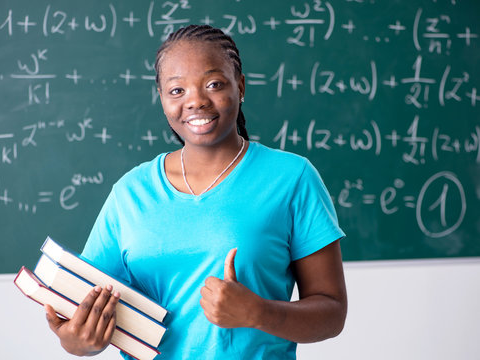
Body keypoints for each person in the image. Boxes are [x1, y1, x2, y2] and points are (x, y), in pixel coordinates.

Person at [45, 24, 347, 359]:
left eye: (214, 84)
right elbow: (84, 306)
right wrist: (76, 341)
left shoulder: (292, 178)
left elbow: (332, 313)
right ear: (161, 98)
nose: (197, 101)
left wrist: (258, 312)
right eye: (177, 91)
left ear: (241, 86)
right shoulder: (130, 193)